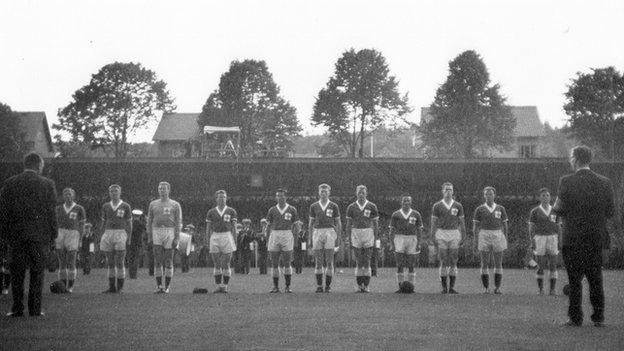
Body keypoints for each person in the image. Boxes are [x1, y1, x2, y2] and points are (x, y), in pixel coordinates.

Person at [553, 146, 615, 327]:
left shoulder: (566, 181)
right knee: (596, 278)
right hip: (596, 238)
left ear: (575, 159)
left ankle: (575, 317)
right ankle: (598, 317)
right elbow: (610, 211)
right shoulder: (605, 182)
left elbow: (558, 209)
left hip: (573, 238)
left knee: (574, 280)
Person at [0, 153, 57, 317]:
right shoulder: (47, 184)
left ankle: (17, 308)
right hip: (39, 236)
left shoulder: (10, 183)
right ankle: (35, 309)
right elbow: (51, 212)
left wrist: (4, 235)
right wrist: (53, 234)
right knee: (37, 272)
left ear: (25, 164)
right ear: (39, 165)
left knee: (17, 273)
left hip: (17, 235)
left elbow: (3, 212)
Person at [430, 182, 466, 294]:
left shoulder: (458, 206)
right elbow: (433, 223)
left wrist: (463, 235)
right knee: (443, 260)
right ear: (442, 191)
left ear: (453, 191)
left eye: (450, 189)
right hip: (441, 233)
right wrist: (432, 236)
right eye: (446, 189)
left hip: (454, 233)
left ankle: (452, 287)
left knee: (453, 260)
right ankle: (444, 287)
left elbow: (462, 222)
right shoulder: (437, 206)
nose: (448, 191)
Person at [147, 181, 182, 293]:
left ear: (168, 190)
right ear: (158, 190)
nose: (162, 190)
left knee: (168, 260)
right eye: (160, 188)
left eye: (164, 188)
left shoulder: (175, 204)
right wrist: (150, 235)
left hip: (170, 232)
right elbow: (149, 221)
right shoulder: (153, 204)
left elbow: (178, 221)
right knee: (157, 261)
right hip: (156, 232)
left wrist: (176, 237)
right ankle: (158, 287)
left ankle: (166, 287)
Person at [473, 186, 508, 294]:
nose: (489, 196)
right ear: (484, 196)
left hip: (498, 234)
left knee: (498, 262)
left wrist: (505, 237)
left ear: (494, 195)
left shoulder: (500, 208)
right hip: (484, 234)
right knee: (485, 263)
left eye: (491, 194)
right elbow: (475, 226)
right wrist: (476, 239)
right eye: (486, 194)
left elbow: (505, 225)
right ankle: (486, 288)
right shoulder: (479, 209)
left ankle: (497, 287)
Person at [308, 184, 341, 293]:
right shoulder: (314, 206)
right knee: (318, 261)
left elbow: (338, 223)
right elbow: (310, 223)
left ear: (329, 192)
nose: (323, 193)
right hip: (317, 232)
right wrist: (309, 238)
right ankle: (319, 286)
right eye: (322, 191)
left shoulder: (333, 206)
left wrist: (338, 237)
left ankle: (327, 286)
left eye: (325, 191)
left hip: (330, 232)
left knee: (329, 261)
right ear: (319, 192)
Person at [99, 184, 132, 293]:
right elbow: (103, 222)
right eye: (112, 191)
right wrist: (102, 234)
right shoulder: (105, 206)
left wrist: (129, 236)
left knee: (119, 261)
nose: (114, 193)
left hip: (120, 233)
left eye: (116, 191)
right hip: (108, 234)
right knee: (110, 262)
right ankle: (112, 287)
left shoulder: (125, 206)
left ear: (120, 192)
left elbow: (129, 223)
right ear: (109, 193)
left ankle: (120, 287)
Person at [346, 185, 379, 293]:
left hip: (368, 232)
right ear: (356, 193)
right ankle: (360, 286)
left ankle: (367, 286)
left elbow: (375, 224)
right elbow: (348, 224)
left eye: (363, 192)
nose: (361, 194)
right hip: (356, 233)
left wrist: (375, 237)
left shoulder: (372, 206)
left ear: (366, 193)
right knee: (359, 261)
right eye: (359, 192)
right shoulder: (351, 207)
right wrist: (349, 238)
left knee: (367, 261)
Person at [266, 189, 300, 293]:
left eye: (281, 196)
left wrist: (295, 239)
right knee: (274, 263)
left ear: (285, 197)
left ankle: (287, 286)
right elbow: (268, 227)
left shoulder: (292, 209)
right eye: (278, 196)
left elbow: (296, 226)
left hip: (287, 234)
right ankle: (275, 287)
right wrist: (268, 240)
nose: (279, 197)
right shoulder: (272, 210)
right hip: (275, 234)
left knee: (287, 262)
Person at [528, 188, 561, 295]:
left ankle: (552, 290)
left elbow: (558, 227)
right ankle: (541, 289)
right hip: (540, 238)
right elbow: (531, 228)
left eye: (547, 195)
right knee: (540, 265)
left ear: (550, 197)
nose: (545, 197)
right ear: (540, 197)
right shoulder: (535, 211)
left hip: (552, 238)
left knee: (553, 265)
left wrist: (560, 239)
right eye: (543, 195)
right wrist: (532, 240)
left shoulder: (555, 211)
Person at [389, 194, 423, 293]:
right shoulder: (396, 214)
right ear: (401, 202)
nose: (406, 202)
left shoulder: (416, 214)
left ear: (411, 202)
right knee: (399, 264)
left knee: (411, 264)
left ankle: (411, 287)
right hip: (399, 238)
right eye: (404, 201)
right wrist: (392, 243)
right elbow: (391, 230)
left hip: (412, 238)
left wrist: (419, 243)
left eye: (408, 201)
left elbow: (419, 230)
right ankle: (400, 287)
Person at [54, 188, 86, 293]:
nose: (68, 196)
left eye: (70, 194)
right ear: (63, 196)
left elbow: (82, 225)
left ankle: (70, 287)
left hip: (73, 234)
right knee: (61, 261)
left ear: (73, 196)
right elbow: (54, 224)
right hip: (60, 233)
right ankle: (63, 286)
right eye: (66, 194)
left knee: (71, 261)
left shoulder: (79, 208)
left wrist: (80, 238)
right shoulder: (58, 209)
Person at [206, 190, 238, 293]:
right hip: (215, 236)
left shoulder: (231, 211)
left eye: (223, 197)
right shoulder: (211, 212)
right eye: (220, 197)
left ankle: (225, 286)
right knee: (217, 263)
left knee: (226, 263)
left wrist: (235, 239)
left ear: (226, 198)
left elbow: (234, 227)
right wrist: (207, 240)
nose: (222, 199)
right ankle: (218, 285)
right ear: (216, 199)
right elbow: (208, 228)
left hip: (227, 235)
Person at [128, 209, 146, 279]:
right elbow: (146, 229)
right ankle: (134, 274)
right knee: (136, 258)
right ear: (140, 216)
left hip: (130, 242)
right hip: (138, 243)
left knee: (131, 258)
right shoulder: (141, 224)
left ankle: (130, 273)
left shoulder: (130, 223)